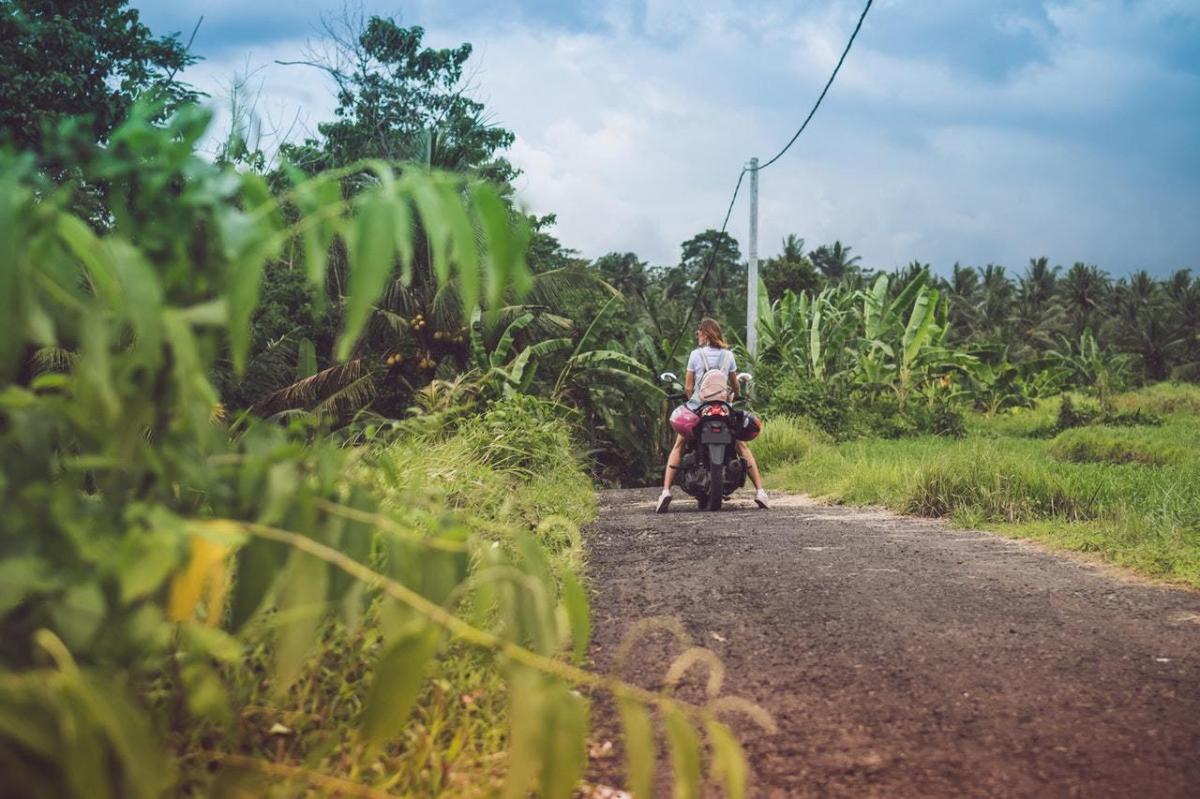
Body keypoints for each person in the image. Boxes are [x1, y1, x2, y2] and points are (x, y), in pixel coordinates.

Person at [656, 318, 768, 513]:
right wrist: (733, 396)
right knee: (740, 445)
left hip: (700, 407)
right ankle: (760, 492)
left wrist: (692, 400)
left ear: (706, 333)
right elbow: (735, 385)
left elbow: (689, 386)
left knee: (679, 444)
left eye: (699, 331)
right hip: (724, 407)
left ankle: (665, 491)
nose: (697, 335)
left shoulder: (695, 355)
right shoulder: (728, 356)